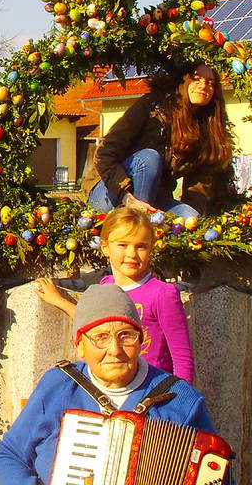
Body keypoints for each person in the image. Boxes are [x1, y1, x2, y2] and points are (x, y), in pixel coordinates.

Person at [0, 284, 238, 485]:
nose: (115, 350)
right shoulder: (59, 385)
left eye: (126, 336)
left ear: (141, 340)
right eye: (100, 337)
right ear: (80, 344)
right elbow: (9, 454)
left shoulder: (181, 400)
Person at [38, 207, 194, 382]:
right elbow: (92, 319)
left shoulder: (162, 294)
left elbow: (182, 358)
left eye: (141, 246)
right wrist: (58, 300)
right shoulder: (106, 286)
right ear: (105, 247)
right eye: (122, 245)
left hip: (151, 392)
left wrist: (180, 402)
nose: (131, 254)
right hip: (111, 388)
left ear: (151, 248)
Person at [83, 62, 234, 218]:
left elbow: (198, 186)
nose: (203, 85)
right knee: (148, 158)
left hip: (155, 197)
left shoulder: (206, 131)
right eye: (197, 78)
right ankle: (137, 226)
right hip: (111, 191)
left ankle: (147, 224)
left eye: (210, 82)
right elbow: (105, 153)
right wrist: (127, 197)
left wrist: (192, 224)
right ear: (184, 81)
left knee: (190, 217)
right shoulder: (152, 107)